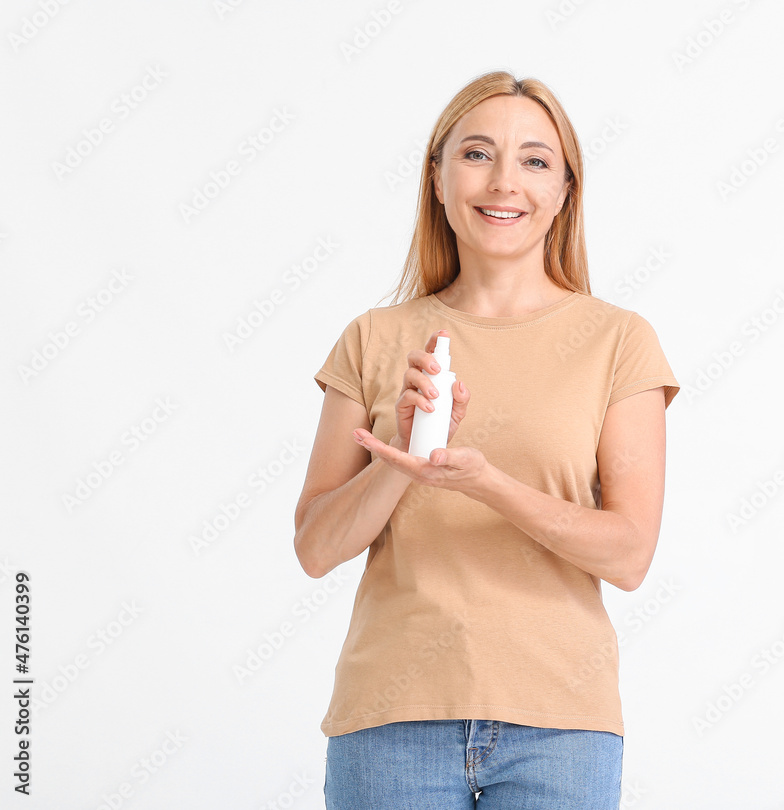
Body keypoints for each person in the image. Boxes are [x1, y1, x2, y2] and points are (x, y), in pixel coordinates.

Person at [293, 69, 681, 809]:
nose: (504, 182)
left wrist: (485, 483)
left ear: (565, 189)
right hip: (391, 723)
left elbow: (629, 555)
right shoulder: (374, 340)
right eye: (476, 154)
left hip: (561, 729)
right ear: (437, 180)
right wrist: (401, 465)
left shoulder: (618, 342)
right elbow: (315, 548)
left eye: (534, 161)